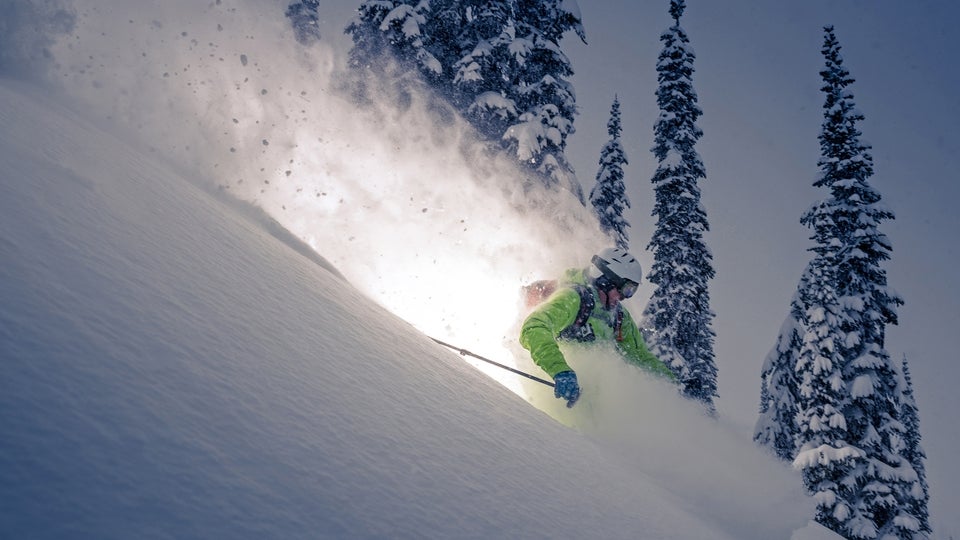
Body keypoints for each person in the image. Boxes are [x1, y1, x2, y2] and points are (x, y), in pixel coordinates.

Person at [519, 248, 675, 407]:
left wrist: (675, 385)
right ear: (604, 281)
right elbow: (534, 327)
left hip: (589, 400)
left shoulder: (619, 316)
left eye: (631, 291)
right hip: (556, 394)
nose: (623, 297)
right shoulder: (573, 298)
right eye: (626, 289)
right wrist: (559, 370)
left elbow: (640, 356)